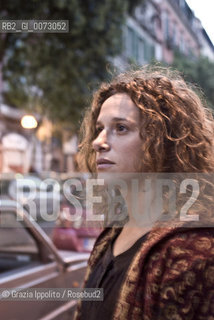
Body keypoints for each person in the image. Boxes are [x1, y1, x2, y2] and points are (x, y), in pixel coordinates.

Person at [74, 66, 214, 320]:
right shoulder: (109, 237)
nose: (98, 142)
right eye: (99, 128)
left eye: (121, 128)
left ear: (161, 141)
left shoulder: (194, 249)